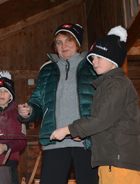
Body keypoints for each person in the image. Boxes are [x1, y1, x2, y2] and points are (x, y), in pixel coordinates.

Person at [50, 26, 140, 184]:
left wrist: (67, 129)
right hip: (109, 160)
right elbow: (107, 122)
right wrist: (85, 133)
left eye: (99, 57)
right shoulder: (106, 85)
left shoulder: (117, 84)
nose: (94, 62)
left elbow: (100, 119)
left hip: (119, 162)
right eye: (92, 58)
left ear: (113, 59)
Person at [18, 23, 99, 184]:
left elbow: (102, 104)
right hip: (55, 142)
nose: (63, 46)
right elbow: (37, 102)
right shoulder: (47, 70)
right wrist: (29, 111)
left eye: (68, 40)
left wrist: (91, 131)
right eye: (59, 42)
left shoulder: (92, 67)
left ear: (77, 43)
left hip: (86, 142)